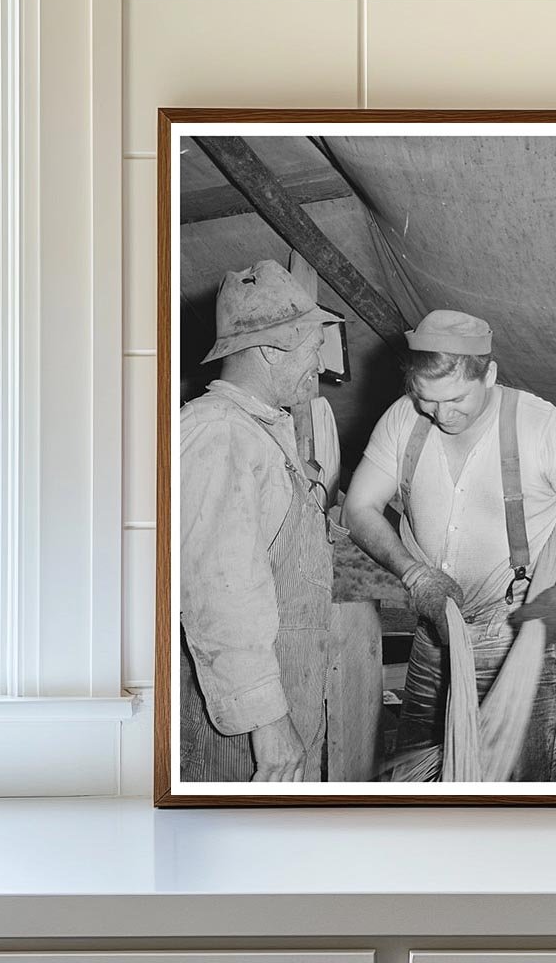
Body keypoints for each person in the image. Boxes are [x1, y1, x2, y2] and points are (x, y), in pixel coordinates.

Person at [343, 310, 556, 781]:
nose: (440, 414)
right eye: (426, 399)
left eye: (455, 398)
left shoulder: (544, 428)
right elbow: (359, 509)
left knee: (524, 787)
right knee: (421, 779)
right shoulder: (403, 419)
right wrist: (415, 575)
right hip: (435, 634)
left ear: (489, 374)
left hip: (516, 634)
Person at [179, 259, 342, 783]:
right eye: (314, 348)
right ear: (273, 349)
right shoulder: (219, 434)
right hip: (241, 737)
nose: (320, 365)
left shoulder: (262, 433)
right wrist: (269, 728)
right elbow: (220, 592)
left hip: (279, 708)